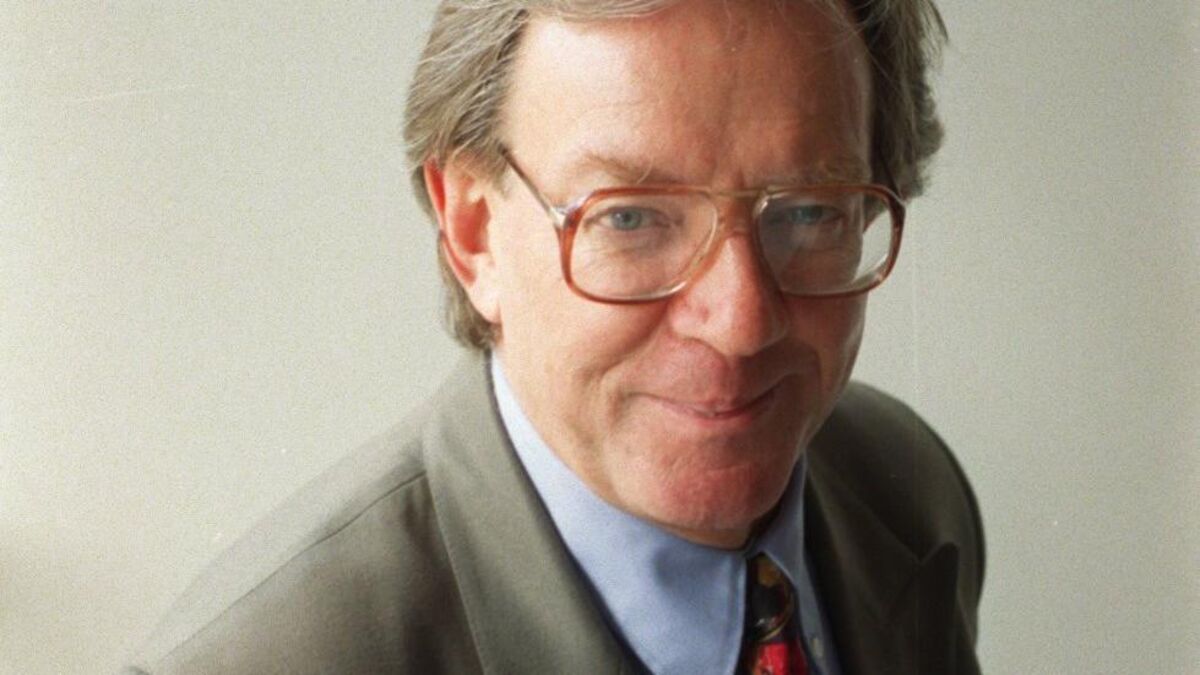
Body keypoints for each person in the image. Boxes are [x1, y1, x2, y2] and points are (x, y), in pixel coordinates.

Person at [125, 0, 984, 673]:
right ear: (473, 232)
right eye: (631, 218)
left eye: (808, 212)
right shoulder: (258, 659)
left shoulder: (910, 485)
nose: (741, 322)